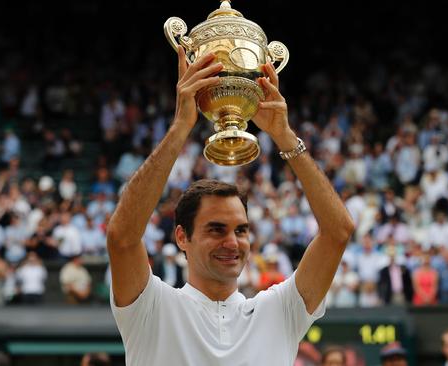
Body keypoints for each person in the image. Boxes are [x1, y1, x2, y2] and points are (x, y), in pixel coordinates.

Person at [107, 47, 354, 365]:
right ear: (182, 237)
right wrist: (181, 127)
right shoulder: (151, 306)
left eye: (241, 230)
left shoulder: (279, 310)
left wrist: (283, 134)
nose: (232, 242)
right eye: (216, 229)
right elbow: (122, 237)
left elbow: (338, 231)